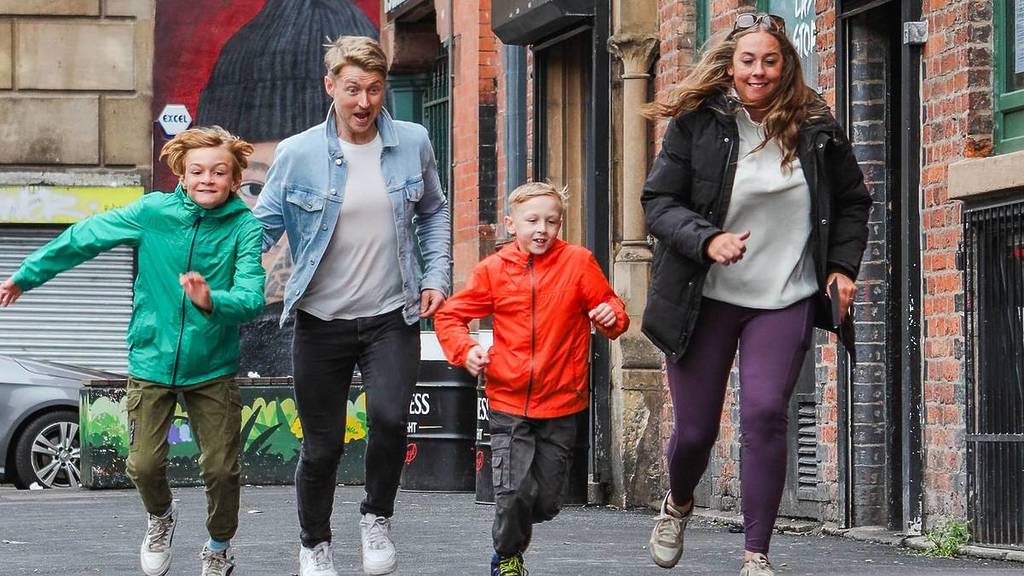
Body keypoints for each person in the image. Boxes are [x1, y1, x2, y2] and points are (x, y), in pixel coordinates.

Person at [639, 13, 871, 576]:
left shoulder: (817, 127)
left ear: (786, 64)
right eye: (748, 61)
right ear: (730, 64)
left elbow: (852, 201)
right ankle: (679, 501)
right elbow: (659, 204)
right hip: (705, 297)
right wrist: (708, 239)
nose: (759, 72)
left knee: (766, 413)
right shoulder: (698, 123)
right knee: (695, 430)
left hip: (785, 293)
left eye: (770, 60)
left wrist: (840, 268)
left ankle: (756, 555)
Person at [0, 126, 265, 576]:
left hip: (213, 367)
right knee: (142, 465)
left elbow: (253, 296)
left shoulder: (245, 227)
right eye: (197, 171)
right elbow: (86, 236)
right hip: (152, 360)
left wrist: (210, 301)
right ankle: (161, 516)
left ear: (235, 179)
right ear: (181, 174)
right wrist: (26, 275)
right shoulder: (152, 212)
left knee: (220, 470)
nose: (207, 179)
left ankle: (219, 546)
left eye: (219, 172)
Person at [253, 35, 451, 576]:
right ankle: (314, 544)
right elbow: (261, 229)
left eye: (374, 88)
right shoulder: (297, 154)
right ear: (331, 87)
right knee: (323, 445)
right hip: (321, 322)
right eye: (352, 89)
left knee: (389, 419)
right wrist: (222, 273)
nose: (364, 102)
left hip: (392, 315)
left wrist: (436, 276)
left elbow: (434, 211)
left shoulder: (412, 141)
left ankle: (376, 517)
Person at [434, 182, 630, 576]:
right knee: (512, 491)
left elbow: (610, 306)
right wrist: (465, 349)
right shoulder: (493, 271)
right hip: (508, 401)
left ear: (561, 224)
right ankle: (507, 558)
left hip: (562, 402)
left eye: (551, 221)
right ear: (511, 223)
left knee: (547, 501)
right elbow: (450, 316)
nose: (542, 229)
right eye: (532, 220)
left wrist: (611, 316)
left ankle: (518, 533)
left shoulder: (578, 263)